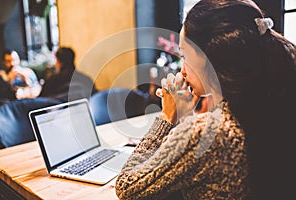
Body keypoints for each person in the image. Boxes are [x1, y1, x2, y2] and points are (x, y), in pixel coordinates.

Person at [115, 0, 296, 199]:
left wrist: (167, 116)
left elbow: (127, 187)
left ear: (209, 59)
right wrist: (186, 120)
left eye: (185, 56)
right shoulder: (271, 102)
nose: (182, 69)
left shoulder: (208, 132)